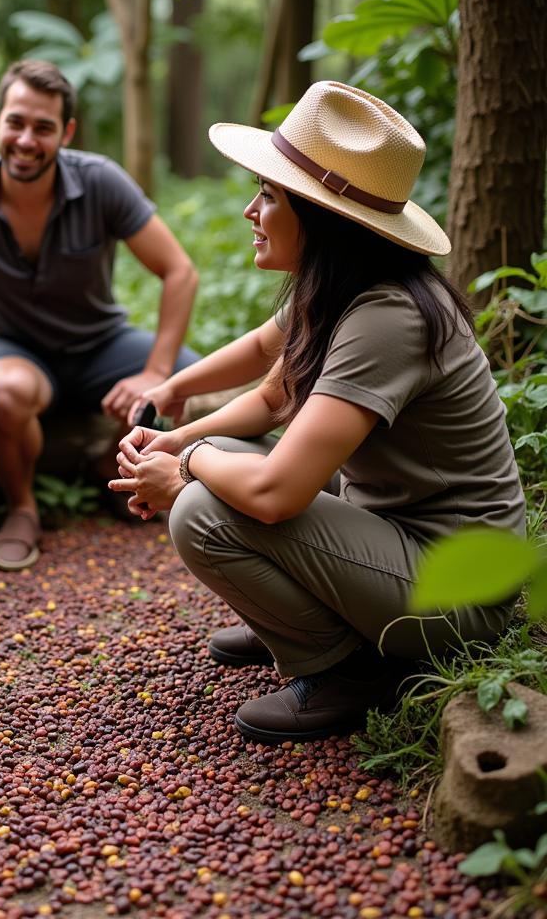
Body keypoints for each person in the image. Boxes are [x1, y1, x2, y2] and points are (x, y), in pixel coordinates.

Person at [110, 81, 525, 743]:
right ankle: (311, 614)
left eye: (268, 196)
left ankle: (347, 671)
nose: (251, 209)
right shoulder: (341, 287)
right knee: (235, 467)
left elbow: (277, 495)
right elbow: (271, 384)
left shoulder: (389, 316)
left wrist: (185, 462)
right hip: (399, 535)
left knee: (204, 507)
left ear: (319, 215)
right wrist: (175, 413)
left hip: (459, 590)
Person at [0, 59, 199, 571]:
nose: (27, 140)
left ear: (66, 132)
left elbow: (179, 270)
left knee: (188, 373)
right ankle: (22, 508)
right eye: (17, 123)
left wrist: (155, 372)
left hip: (101, 346)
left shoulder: (100, 182)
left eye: (43, 127)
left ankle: (105, 466)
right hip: (13, 349)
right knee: (4, 391)